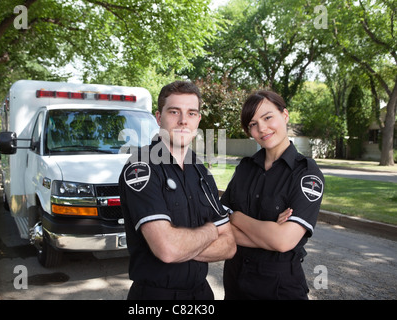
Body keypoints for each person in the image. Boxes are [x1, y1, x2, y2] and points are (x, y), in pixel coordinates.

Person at [119, 80, 236, 300]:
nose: (183, 121)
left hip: (201, 294)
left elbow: (229, 245)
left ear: (198, 119)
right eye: (174, 112)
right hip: (156, 297)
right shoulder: (141, 167)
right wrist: (211, 231)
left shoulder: (201, 171)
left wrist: (183, 245)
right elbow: (168, 249)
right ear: (158, 117)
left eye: (192, 113)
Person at [221, 90, 324, 300]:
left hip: (279, 289)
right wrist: (268, 232)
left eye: (268, 117)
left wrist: (237, 217)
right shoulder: (245, 169)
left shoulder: (307, 174)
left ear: (284, 116)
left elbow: (283, 242)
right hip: (235, 285)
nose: (262, 128)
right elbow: (218, 228)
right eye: (253, 124)